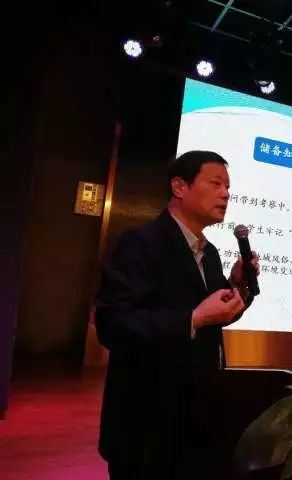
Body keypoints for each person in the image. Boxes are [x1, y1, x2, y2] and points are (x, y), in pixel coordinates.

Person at [95, 150, 259, 479]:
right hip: (146, 426)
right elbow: (113, 326)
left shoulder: (210, 254)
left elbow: (216, 316)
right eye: (216, 183)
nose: (225, 194)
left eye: (228, 187)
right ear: (180, 187)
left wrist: (237, 285)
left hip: (197, 424)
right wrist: (192, 319)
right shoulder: (141, 243)